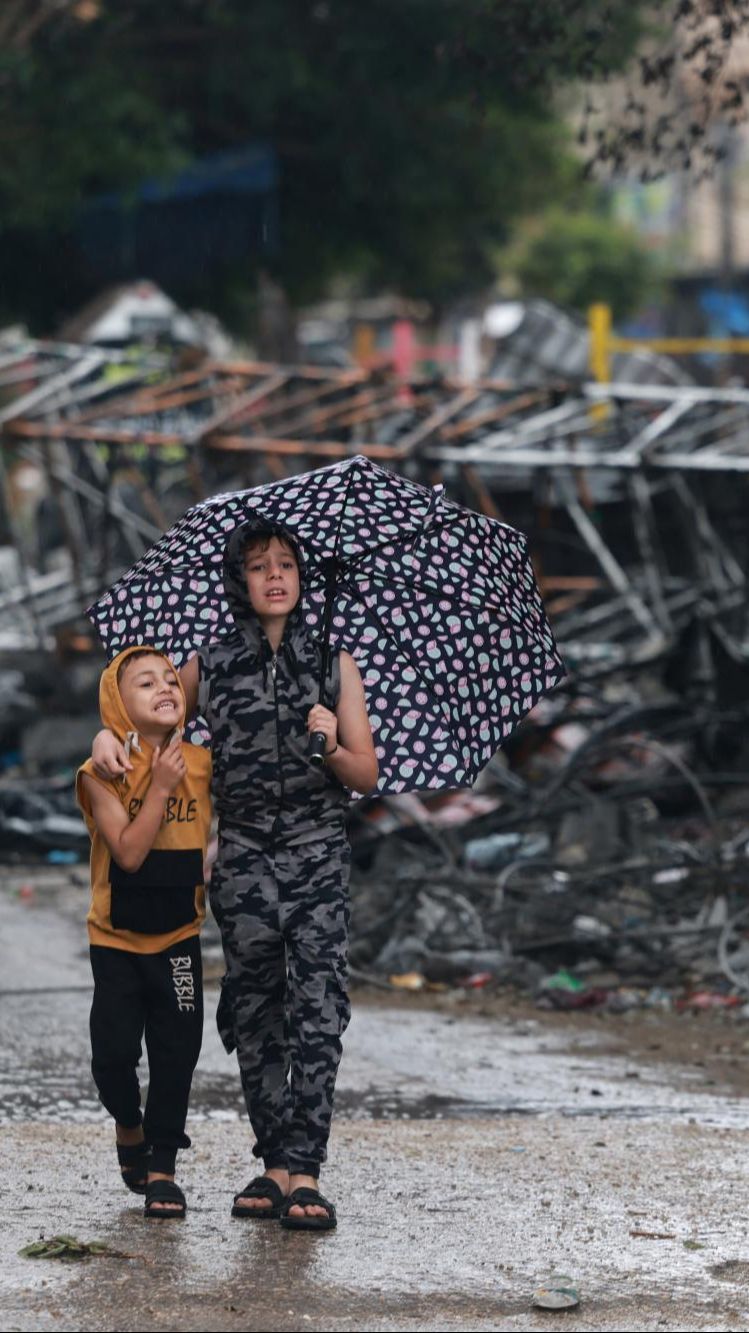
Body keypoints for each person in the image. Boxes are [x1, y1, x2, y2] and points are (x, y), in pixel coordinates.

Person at [92, 520, 378, 1231]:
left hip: (316, 851)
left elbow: (365, 773)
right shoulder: (209, 662)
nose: (274, 576)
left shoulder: (335, 664)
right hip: (244, 855)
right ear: (239, 581)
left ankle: (306, 1170)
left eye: (286, 564)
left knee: (317, 1006)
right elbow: (148, 720)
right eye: (258, 567)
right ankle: (273, 1160)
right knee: (255, 1007)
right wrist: (104, 737)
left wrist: (332, 742)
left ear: (302, 577)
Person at [77, 647, 212, 1219]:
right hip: (116, 941)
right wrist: (155, 784)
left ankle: (162, 1168)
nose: (164, 687)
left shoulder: (205, 764)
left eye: (170, 682)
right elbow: (128, 855)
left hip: (179, 937)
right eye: (144, 683)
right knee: (112, 1058)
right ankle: (128, 1125)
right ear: (117, 706)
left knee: (176, 1055)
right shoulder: (100, 772)